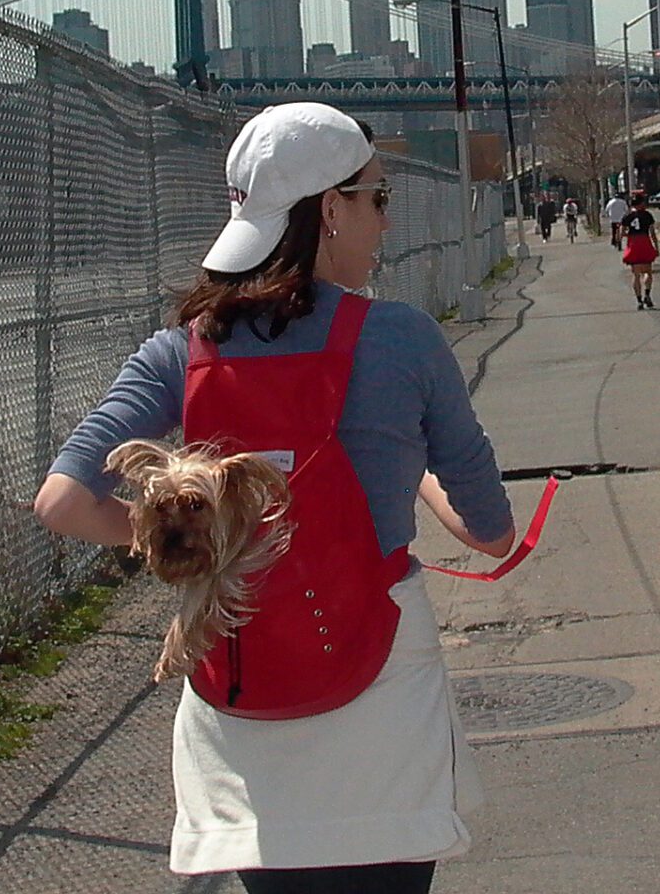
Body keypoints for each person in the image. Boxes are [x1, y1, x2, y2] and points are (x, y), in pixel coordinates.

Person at [34, 102, 515, 894]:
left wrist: (205, 545)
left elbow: (60, 502)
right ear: (332, 208)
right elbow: (489, 532)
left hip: (241, 679)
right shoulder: (401, 338)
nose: (385, 223)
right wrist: (417, 477)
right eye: (378, 199)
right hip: (379, 678)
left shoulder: (175, 351)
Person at [620, 191, 659, 309]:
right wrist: (656, 247)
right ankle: (647, 294)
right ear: (641, 203)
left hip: (633, 245)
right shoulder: (647, 215)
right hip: (645, 243)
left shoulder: (627, 216)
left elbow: (621, 233)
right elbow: (652, 233)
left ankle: (639, 300)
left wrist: (630, 235)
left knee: (636, 274)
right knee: (648, 271)